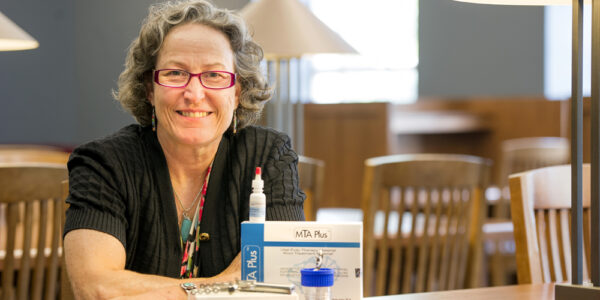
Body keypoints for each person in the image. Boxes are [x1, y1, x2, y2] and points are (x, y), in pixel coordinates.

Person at [63, 1, 305, 299]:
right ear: (150, 89)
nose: (194, 94)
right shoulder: (103, 164)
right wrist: (226, 284)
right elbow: (96, 289)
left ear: (238, 91)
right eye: (176, 73)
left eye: (214, 75)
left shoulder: (269, 155)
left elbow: (280, 277)